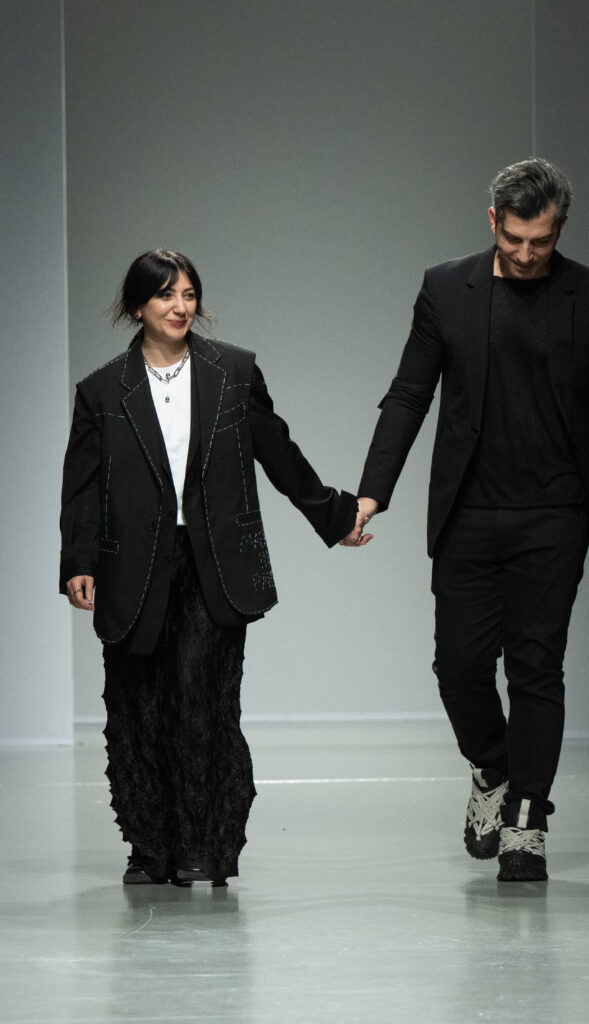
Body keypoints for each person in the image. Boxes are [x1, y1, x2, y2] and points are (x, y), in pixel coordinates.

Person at [343, 159, 589, 882]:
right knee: (459, 666)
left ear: (560, 228)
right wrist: (371, 492)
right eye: (514, 238)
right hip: (470, 510)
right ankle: (493, 768)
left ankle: (527, 820)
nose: (527, 253)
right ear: (492, 222)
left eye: (541, 240)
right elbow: (409, 394)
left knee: (537, 665)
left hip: (556, 511)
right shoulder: (447, 288)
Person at [60, 248, 364, 886]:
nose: (180, 307)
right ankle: (149, 847)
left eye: (189, 294)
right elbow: (83, 487)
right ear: (137, 305)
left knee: (201, 699)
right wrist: (78, 560)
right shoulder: (101, 391)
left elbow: (278, 452)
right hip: (132, 566)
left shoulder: (233, 372)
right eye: (165, 295)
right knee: (138, 705)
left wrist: (334, 516)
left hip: (213, 560)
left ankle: (203, 844)